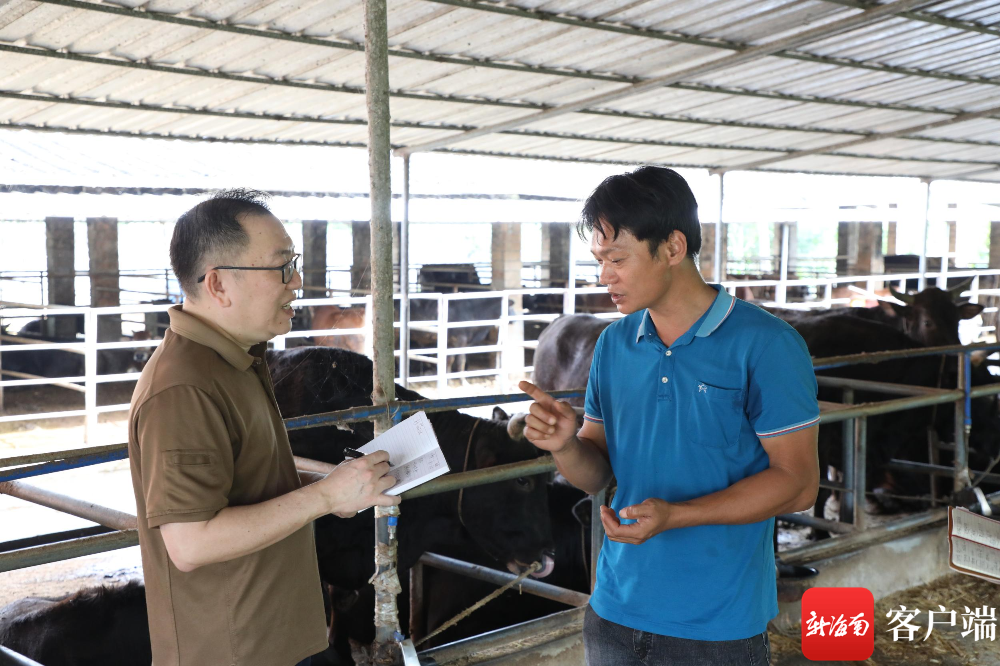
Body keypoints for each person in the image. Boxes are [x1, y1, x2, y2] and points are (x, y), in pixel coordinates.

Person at [519, 167, 820, 665]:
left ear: (673, 247)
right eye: (599, 260)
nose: (604, 276)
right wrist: (565, 445)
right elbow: (597, 473)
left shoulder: (767, 344)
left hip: (717, 625)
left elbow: (798, 482)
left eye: (617, 259)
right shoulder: (615, 343)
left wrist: (677, 516)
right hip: (614, 609)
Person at [127, 190, 399, 666]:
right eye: (281, 267)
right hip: (234, 651)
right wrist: (325, 498)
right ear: (218, 285)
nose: (297, 282)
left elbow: (249, 484)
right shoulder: (184, 388)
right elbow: (191, 543)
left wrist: (338, 486)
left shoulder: (239, 360)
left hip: (278, 637)